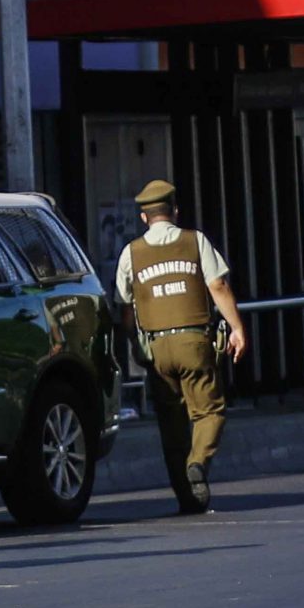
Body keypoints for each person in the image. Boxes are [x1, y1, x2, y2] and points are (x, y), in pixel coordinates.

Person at [113, 180, 248, 515]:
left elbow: (125, 308)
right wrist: (237, 328)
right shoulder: (195, 241)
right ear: (175, 211)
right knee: (209, 411)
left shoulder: (130, 253)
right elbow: (217, 284)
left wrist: (133, 344)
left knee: (171, 425)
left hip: (156, 349)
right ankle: (198, 462)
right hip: (194, 342)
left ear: (144, 218)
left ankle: (188, 498)